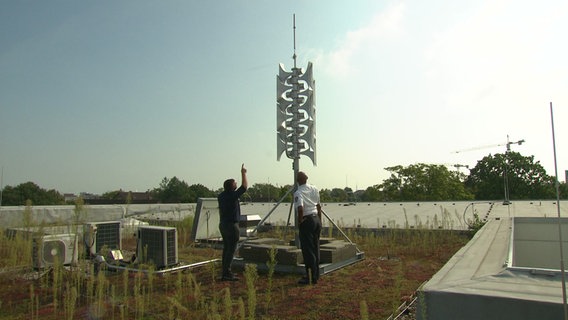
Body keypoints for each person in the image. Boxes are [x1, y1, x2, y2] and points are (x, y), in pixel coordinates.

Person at [217, 164, 248, 281]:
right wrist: (243, 173)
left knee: (226, 248)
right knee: (231, 249)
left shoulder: (221, 196)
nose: (236, 184)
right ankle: (227, 273)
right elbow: (244, 187)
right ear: (231, 186)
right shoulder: (232, 195)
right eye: (235, 183)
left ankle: (225, 271)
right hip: (231, 225)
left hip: (223, 225)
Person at [294, 171, 322, 285]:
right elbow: (319, 206)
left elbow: (300, 208)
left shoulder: (298, 192)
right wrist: (319, 220)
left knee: (308, 250)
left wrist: (300, 221)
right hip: (316, 219)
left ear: (297, 181)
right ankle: (316, 274)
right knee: (315, 248)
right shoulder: (314, 188)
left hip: (307, 220)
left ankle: (310, 277)